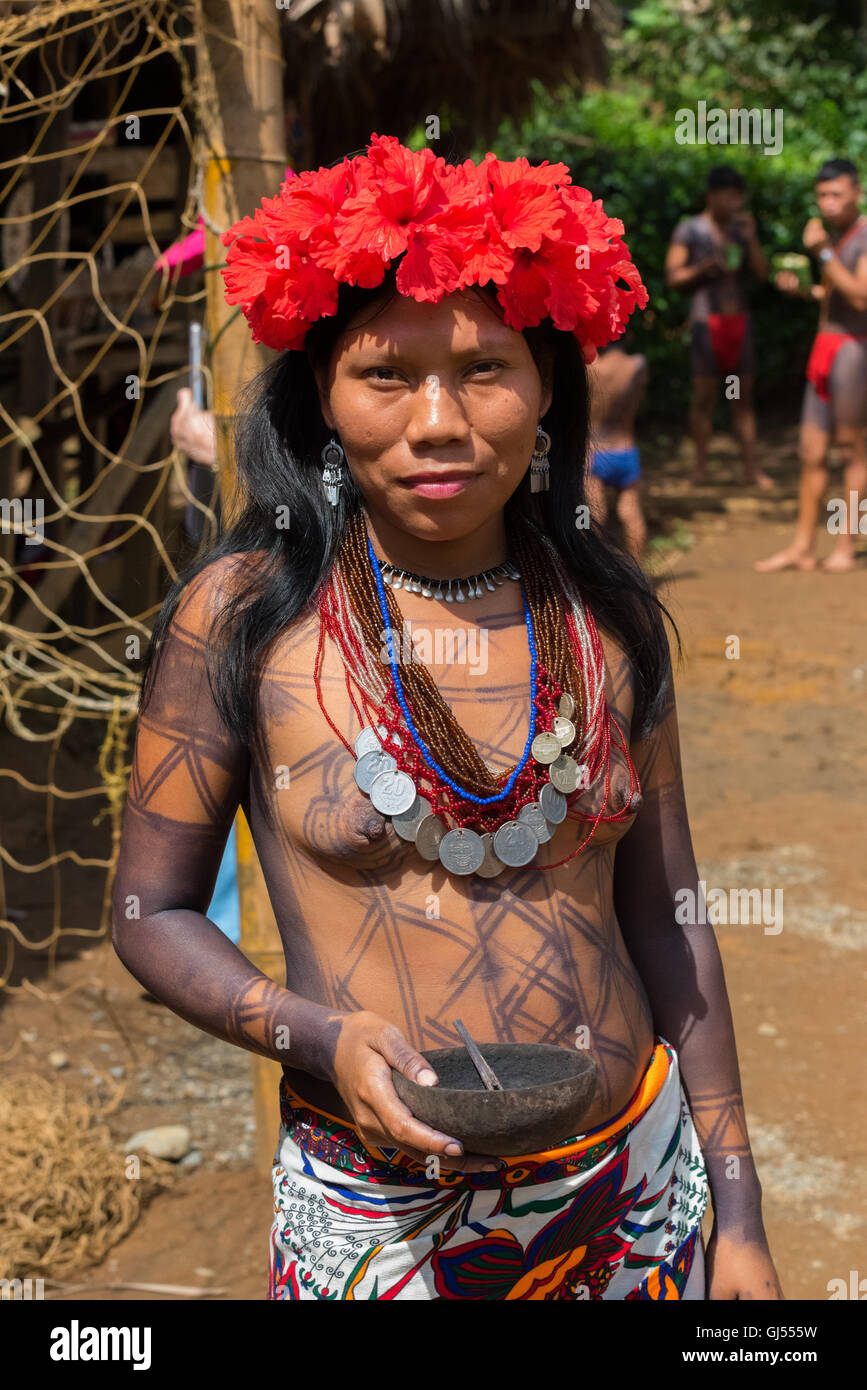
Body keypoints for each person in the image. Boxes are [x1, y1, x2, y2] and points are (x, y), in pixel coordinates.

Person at [112, 134, 781, 1301]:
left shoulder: (605, 612)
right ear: (320, 396)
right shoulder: (247, 616)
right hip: (378, 1210)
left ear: (546, 390)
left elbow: (671, 920)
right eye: (386, 375)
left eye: (484, 369)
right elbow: (147, 909)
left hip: (635, 1183)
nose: (438, 420)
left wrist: (738, 1215)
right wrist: (316, 1035)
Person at [755, 158, 867, 572]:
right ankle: (802, 547)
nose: (829, 202)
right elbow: (834, 295)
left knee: (851, 450)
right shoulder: (838, 240)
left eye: (837, 193)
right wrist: (805, 291)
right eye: (822, 194)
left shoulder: (862, 236)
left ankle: (844, 547)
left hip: (854, 351)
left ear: (857, 192)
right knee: (810, 451)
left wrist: (820, 251)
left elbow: (860, 298)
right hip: (825, 348)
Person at [666, 166, 773, 490]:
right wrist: (705, 267)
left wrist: (752, 237)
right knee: (704, 398)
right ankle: (700, 469)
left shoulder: (741, 231)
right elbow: (673, 277)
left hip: (738, 322)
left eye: (739, 196)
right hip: (704, 323)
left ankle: (751, 470)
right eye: (729, 195)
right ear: (712, 195)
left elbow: (762, 273)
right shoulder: (691, 230)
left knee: (741, 398)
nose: (735, 202)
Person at [586, 341, 649, 561]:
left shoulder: (592, 368)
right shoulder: (637, 364)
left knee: (595, 514)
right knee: (631, 512)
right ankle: (639, 574)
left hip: (595, 453)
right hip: (626, 450)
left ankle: (596, 574)